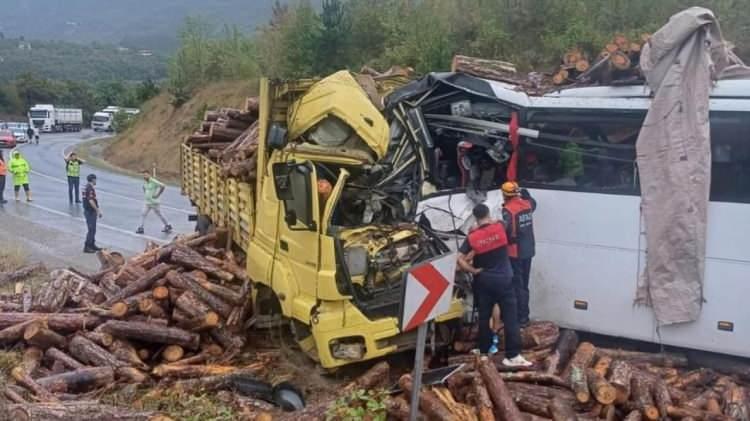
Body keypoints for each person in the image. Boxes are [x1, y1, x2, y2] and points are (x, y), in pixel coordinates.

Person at [458, 203, 532, 367]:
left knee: (484, 317)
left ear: (475, 217)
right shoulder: (500, 227)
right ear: (488, 213)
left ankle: (484, 351)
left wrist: (473, 270)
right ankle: (512, 356)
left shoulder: (472, 237)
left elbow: (460, 259)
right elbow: (502, 222)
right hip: (504, 280)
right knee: (511, 317)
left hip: (483, 281)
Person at [501, 181, 537, 327]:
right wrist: (528, 195)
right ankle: (524, 315)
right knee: (525, 284)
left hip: (515, 252)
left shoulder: (508, 210)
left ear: (504, 195)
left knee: (517, 285)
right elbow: (534, 203)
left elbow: (506, 231)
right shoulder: (527, 204)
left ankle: (522, 318)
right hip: (528, 249)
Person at [82, 174, 102, 253]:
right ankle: (87, 246)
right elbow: (91, 200)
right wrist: (97, 210)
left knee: (93, 229)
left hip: (88, 210)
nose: (96, 181)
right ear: (93, 180)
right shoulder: (90, 188)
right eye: (95, 179)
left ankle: (92, 244)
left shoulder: (86, 187)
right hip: (90, 211)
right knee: (91, 229)